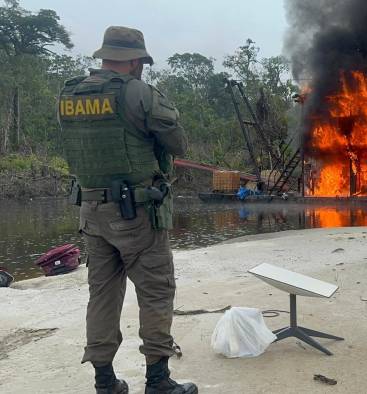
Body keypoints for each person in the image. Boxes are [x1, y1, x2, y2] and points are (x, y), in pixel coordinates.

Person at [58, 26, 197, 394]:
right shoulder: (138, 93)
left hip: (90, 210)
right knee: (156, 291)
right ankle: (158, 380)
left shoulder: (69, 92)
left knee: (102, 294)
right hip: (135, 214)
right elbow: (178, 144)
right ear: (136, 61)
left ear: (105, 56)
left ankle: (105, 382)